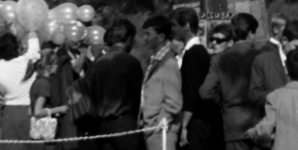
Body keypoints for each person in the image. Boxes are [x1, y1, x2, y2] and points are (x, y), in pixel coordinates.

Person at [203, 17, 263, 149]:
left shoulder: (219, 59)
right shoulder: (262, 56)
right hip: (260, 122)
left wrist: (222, 101)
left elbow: (205, 92)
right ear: (249, 34)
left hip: (232, 125)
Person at [83, 22, 144, 150]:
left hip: (101, 127)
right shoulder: (131, 62)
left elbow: (86, 94)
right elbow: (138, 96)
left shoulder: (96, 64)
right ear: (129, 39)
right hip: (125, 126)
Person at [0, 34, 36, 147]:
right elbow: (34, 45)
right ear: (16, 46)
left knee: (11, 146)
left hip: (10, 112)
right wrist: (31, 31)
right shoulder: (29, 60)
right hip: (31, 110)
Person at [175, 10, 219, 150]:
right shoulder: (199, 51)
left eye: (176, 25)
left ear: (186, 26)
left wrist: (185, 125)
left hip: (197, 122)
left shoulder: (193, 54)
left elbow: (192, 92)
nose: (174, 29)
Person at [140, 16, 182, 150]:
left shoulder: (168, 63)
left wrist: (158, 124)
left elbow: (174, 102)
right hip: (153, 130)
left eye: (148, 34)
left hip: (162, 132)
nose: (144, 38)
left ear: (161, 36)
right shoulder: (157, 60)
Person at [29, 41, 77, 148]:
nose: (57, 66)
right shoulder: (44, 84)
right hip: (45, 140)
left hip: (37, 137)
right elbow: (37, 112)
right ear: (48, 67)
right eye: (55, 64)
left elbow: (30, 111)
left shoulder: (37, 81)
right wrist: (59, 109)